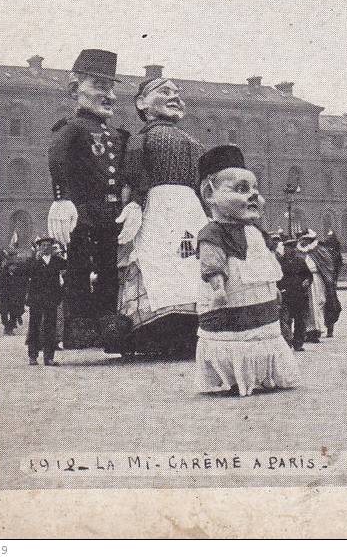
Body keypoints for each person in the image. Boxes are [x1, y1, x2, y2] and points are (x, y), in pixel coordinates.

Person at [193, 145, 300, 397]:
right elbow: (212, 261)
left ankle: (262, 374)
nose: (253, 196)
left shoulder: (256, 231)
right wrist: (218, 287)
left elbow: (269, 260)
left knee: (263, 333)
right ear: (210, 194)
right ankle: (231, 375)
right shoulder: (214, 233)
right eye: (241, 189)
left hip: (261, 299)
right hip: (230, 296)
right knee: (234, 335)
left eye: (255, 190)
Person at [115, 74, 206, 356]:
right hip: (157, 206)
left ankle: (196, 324)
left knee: (191, 258)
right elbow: (135, 175)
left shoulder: (193, 142)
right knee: (159, 260)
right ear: (142, 103)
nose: (174, 96)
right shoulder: (141, 139)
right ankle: (154, 332)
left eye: (177, 92)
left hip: (190, 207)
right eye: (165, 91)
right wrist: (135, 204)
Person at [47, 49, 130, 349]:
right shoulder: (72, 128)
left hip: (111, 214)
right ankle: (78, 324)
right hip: (83, 212)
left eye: (110, 87)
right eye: (99, 86)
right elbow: (57, 159)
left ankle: (107, 321)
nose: (108, 94)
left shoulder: (117, 134)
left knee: (109, 267)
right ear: (74, 88)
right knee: (79, 266)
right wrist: (61, 198)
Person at [25, 237, 66, 366]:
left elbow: (69, 271)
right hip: (36, 300)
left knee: (50, 328)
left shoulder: (57, 261)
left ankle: (49, 358)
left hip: (51, 300)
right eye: (43, 245)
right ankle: (33, 356)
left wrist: (60, 294)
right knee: (34, 327)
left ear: (52, 247)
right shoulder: (34, 262)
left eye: (48, 245)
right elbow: (26, 276)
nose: (45, 247)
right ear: (39, 247)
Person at [296, 230, 339, 342]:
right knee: (306, 306)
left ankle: (317, 329)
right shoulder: (299, 251)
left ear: (310, 239)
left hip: (316, 280)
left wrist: (328, 279)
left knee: (318, 303)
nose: (303, 241)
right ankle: (307, 330)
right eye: (302, 239)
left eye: (306, 239)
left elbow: (328, 266)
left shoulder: (319, 251)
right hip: (303, 280)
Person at [277, 236, 312, 351]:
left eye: (293, 248)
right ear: (285, 249)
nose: (292, 250)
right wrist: (280, 289)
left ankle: (298, 343)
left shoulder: (300, 261)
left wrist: (307, 280)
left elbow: (308, 275)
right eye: (289, 248)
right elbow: (276, 278)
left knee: (300, 320)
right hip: (286, 295)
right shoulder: (280, 262)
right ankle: (287, 342)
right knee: (286, 320)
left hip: (299, 295)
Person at [0, 248, 30, 335]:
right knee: (3, 312)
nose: (14, 267)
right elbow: (0, 285)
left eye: (15, 266)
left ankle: (10, 328)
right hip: (4, 297)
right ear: (8, 267)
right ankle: (6, 326)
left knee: (14, 312)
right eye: (12, 266)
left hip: (15, 297)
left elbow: (23, 284)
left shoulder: (19, 274)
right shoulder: (3, 274)